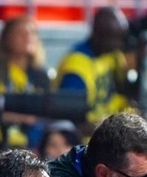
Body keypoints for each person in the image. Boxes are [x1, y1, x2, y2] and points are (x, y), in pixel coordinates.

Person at [0, 14, 51, 160]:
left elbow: (49, 115)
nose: (28, 38)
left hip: (35, 152)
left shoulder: (40, 74)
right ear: (7, 38)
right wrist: (15, 117)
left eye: (32, 33)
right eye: (21, 33)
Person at [53, 7, 135, 138]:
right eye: (114, 38)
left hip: (111, 133)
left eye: (121, 38)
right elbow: (72, 123)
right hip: (88, 142)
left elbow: (127, 96)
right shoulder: (76, 65)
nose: (119, 45)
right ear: (98, 34)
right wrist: (117, 131)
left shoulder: (113, 55)